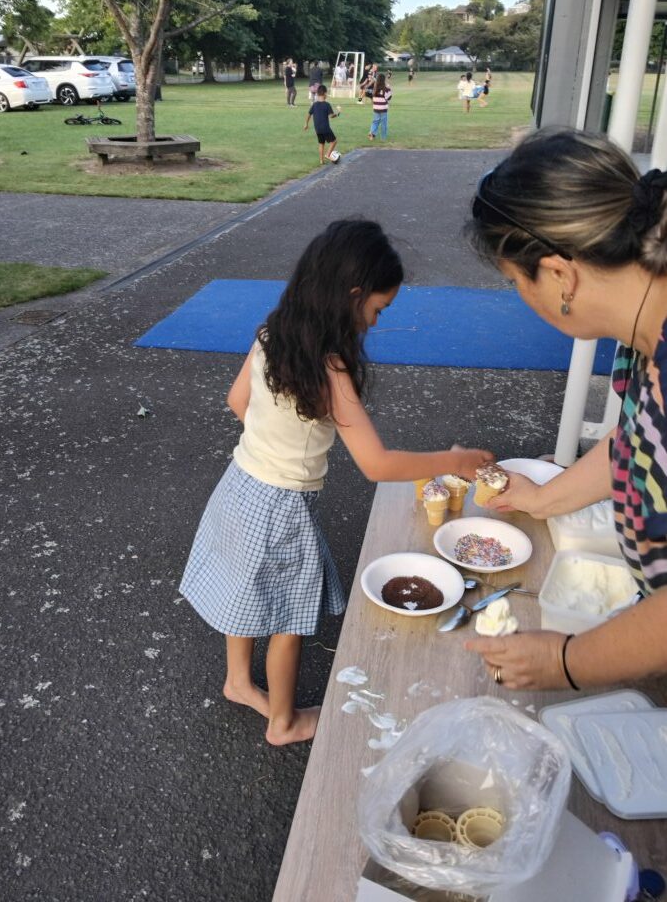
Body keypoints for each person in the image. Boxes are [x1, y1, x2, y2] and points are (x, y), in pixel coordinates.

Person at [180, 220, 494, 744]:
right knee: (287, 617)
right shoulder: (329, 368)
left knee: (246, 588)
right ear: (352, 296)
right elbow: (377, 464)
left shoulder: (271, 333)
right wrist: (454, 460)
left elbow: (238, 402)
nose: (375, 321)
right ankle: (283, 722)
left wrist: (273, 443)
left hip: (240, 483)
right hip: (281, 507)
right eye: (378, 309)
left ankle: (238, 681)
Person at [464, 126, 667, 691]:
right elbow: (637, 439)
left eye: (516, 282)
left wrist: (567, 661)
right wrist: (543, 498)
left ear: (559, 274)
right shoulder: (646, 334)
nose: (522, 297)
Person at [303, 84, 340, 164]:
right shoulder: (327, 105)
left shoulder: (314, 104)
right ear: (325, 94)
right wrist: (338, 113)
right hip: (325, 128)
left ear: (317, 93)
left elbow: (309, 114)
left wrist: (306, 124)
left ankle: (321, 160)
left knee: (321, 143)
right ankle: (328, 154)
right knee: (334, 141)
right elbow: (331, 116)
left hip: (317, 129)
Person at [368, 73, 392, 141]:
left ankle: (371, 132)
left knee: (375, 122)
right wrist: (389, 88)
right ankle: (383, 138)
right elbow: (389, 97)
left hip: (376, 107)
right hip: (383, 108)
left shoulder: (375, 88)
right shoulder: (386, 88)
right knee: (384, 124)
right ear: (384, 80)